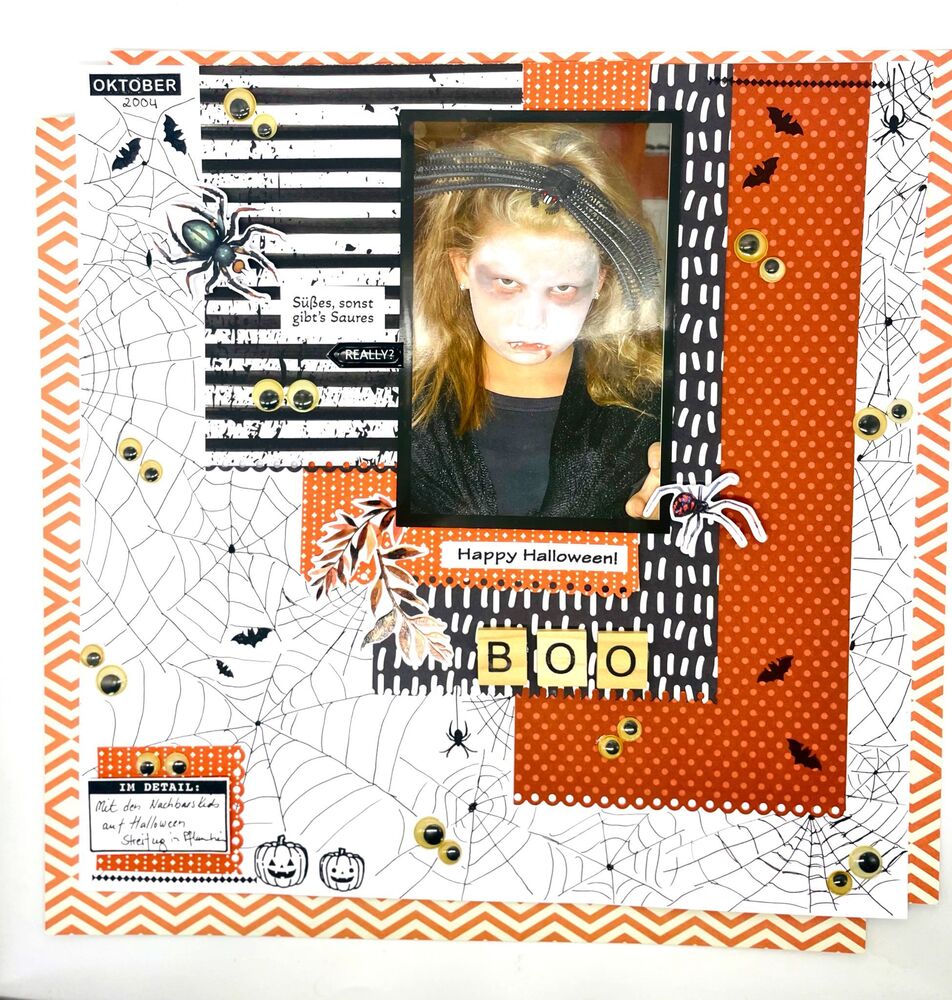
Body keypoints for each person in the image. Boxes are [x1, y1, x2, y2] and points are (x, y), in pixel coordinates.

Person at [408, 122, 664, 521]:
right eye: (507, 283)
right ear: (461, 268)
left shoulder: (657, 405)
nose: (531, 322)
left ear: (600, 281)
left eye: (562, 288)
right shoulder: (403, 401)